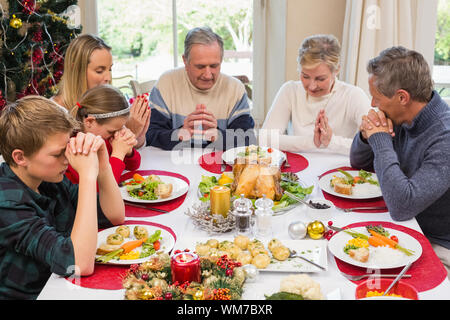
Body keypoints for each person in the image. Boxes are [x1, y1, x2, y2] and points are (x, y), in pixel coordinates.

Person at [0, 96, 125, 299]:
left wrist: (103, 164)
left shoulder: (47, 179)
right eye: (58, 153)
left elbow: (114, 216)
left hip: (60, 289)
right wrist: (86, 176)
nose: (67, 158)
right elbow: (78, 264)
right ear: (20, 157)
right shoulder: (7, 203)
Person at [350, 46, 450, 277]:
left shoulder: (444, 136)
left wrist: (381, 140)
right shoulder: (403, 116)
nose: (373, 104)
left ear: (402, 97)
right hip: (406, 229)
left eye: (377, 97)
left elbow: (402, 206)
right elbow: (358, 163)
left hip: (437, 243)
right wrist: (367, 136)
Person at [143, 26, 255, 151]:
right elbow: (149, 135)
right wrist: (180, 134)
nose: (208, 74)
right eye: (200, 66)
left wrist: (217, 135)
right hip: (174, 164)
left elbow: (246, 139)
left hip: (219, 167)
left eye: (214, 66)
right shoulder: (166, 83)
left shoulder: (236, 89)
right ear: (185, 61)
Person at [260, 34, 371, 155]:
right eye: (305, 76)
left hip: (340, 171)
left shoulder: (353, 95)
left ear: (337, 69)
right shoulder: (290, 90)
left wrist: (331, 141)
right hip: (298, 169)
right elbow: (265, 139)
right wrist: (312, 142)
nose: (312, 86)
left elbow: (373, 145)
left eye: (320, 79)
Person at [53, 34, 150, 147]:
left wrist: (137, 138)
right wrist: (126, 133)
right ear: (76, 70)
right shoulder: (55, 115)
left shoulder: (108, 107)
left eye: (110, 69)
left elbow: (131, 155)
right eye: (99, 71)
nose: (108, 77)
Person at [66, 84, 141, 184]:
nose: (116, 134)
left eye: (121, 128)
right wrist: (118, 154)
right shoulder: (76, 149)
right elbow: (101, 189)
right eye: (111, 131)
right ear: (90, 122)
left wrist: (128, 151)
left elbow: (133, 166)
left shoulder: (103, 139)